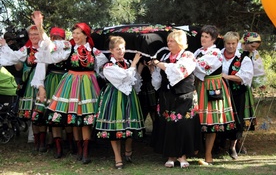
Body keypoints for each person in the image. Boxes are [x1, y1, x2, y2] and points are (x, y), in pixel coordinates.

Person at [40, 22, 108, 164]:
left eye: (78, 33)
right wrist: (40, 28)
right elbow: (51, 47)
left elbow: (102, 68)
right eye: (74, 33)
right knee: (75, 116)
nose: (75, 36)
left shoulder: (94, 51)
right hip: (71, 83)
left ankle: (85, 152)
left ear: (85, 34)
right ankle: (78, 148)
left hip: (89, 84)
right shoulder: (68, 47)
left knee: (86, 118)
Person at [150, 30, 201, 168]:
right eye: (168, 41)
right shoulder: (166, 56)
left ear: (179, 42)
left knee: (184, 124)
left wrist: (159, 64)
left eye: (171, 41)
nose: (168, 43)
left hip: (185, 95)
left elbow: (179, 70)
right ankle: (171, 155)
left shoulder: (188, 56)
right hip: (167, 96)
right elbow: (158, 79)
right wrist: (153, 69)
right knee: (169, 125)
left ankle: (182, 155)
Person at [95, 36, 145, 169]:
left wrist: (136, 66)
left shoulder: (127, 62)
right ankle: (118, 157)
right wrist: (134, 64)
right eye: (117, 49)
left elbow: (135, 80)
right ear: (111, 50)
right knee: (115, 126)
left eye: (122, 48)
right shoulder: (108, 66)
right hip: (114, 96)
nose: (121, 51)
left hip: (129, 96)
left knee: (129, 124)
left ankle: (128, 150)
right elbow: (124, 76)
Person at [30, 11, 74, 158]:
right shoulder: (45, 50)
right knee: (53, 117)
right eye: (53, 36)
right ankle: (58, 148)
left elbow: (53, 48)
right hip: (51, 81)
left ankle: (71, 144)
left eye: (58, 37)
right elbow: (42, 66)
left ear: (63, 37)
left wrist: (40, 28)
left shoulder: (66, 46)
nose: (56, 39)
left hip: (65, 81)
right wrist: (41, 87)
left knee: (66, 115)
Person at [0, 20, 46, 151]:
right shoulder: (26, 48)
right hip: (31, 80)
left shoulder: (45, 47)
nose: (33, 36)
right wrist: (4, 46)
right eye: (31, 34)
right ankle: (37, 142)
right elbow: (14, 57)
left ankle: (44, 141)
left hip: (46, 79)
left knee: (42, 110)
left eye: (36, 34)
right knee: (33, 110)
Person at [193, 25, 236, 165]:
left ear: (213, 39)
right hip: (199, 86)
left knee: (211, 121)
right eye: (202, 36)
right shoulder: (198, 51)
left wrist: (186, 62)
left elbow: (202, 66)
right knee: (198, 119)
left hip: (212, 87)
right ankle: (195, 149)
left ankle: (208, 154)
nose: (203, 39)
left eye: (206, 37)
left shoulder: (216, 53)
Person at [221, 31, 254, 159]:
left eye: (233, 43)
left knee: (236, 118)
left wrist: (226, 77)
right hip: (220, 91)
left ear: (237, 43)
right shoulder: (217, 55)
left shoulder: (243, 58)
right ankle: (219, 144)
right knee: (221, 116)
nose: (230, 46)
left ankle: (232, 146)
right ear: (224, 43)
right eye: (228, 43)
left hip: (236, 92)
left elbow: (244, 77)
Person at [236, 31, 266, 153]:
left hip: (244, 87)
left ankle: (239, 143)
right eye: (252, 46)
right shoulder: (235, 50)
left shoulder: (254, 54)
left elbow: (258, 69)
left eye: (256, 48)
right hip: (231, 84)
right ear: (245, 42)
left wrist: (260, 83)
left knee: (243, 116)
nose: (254, 50)